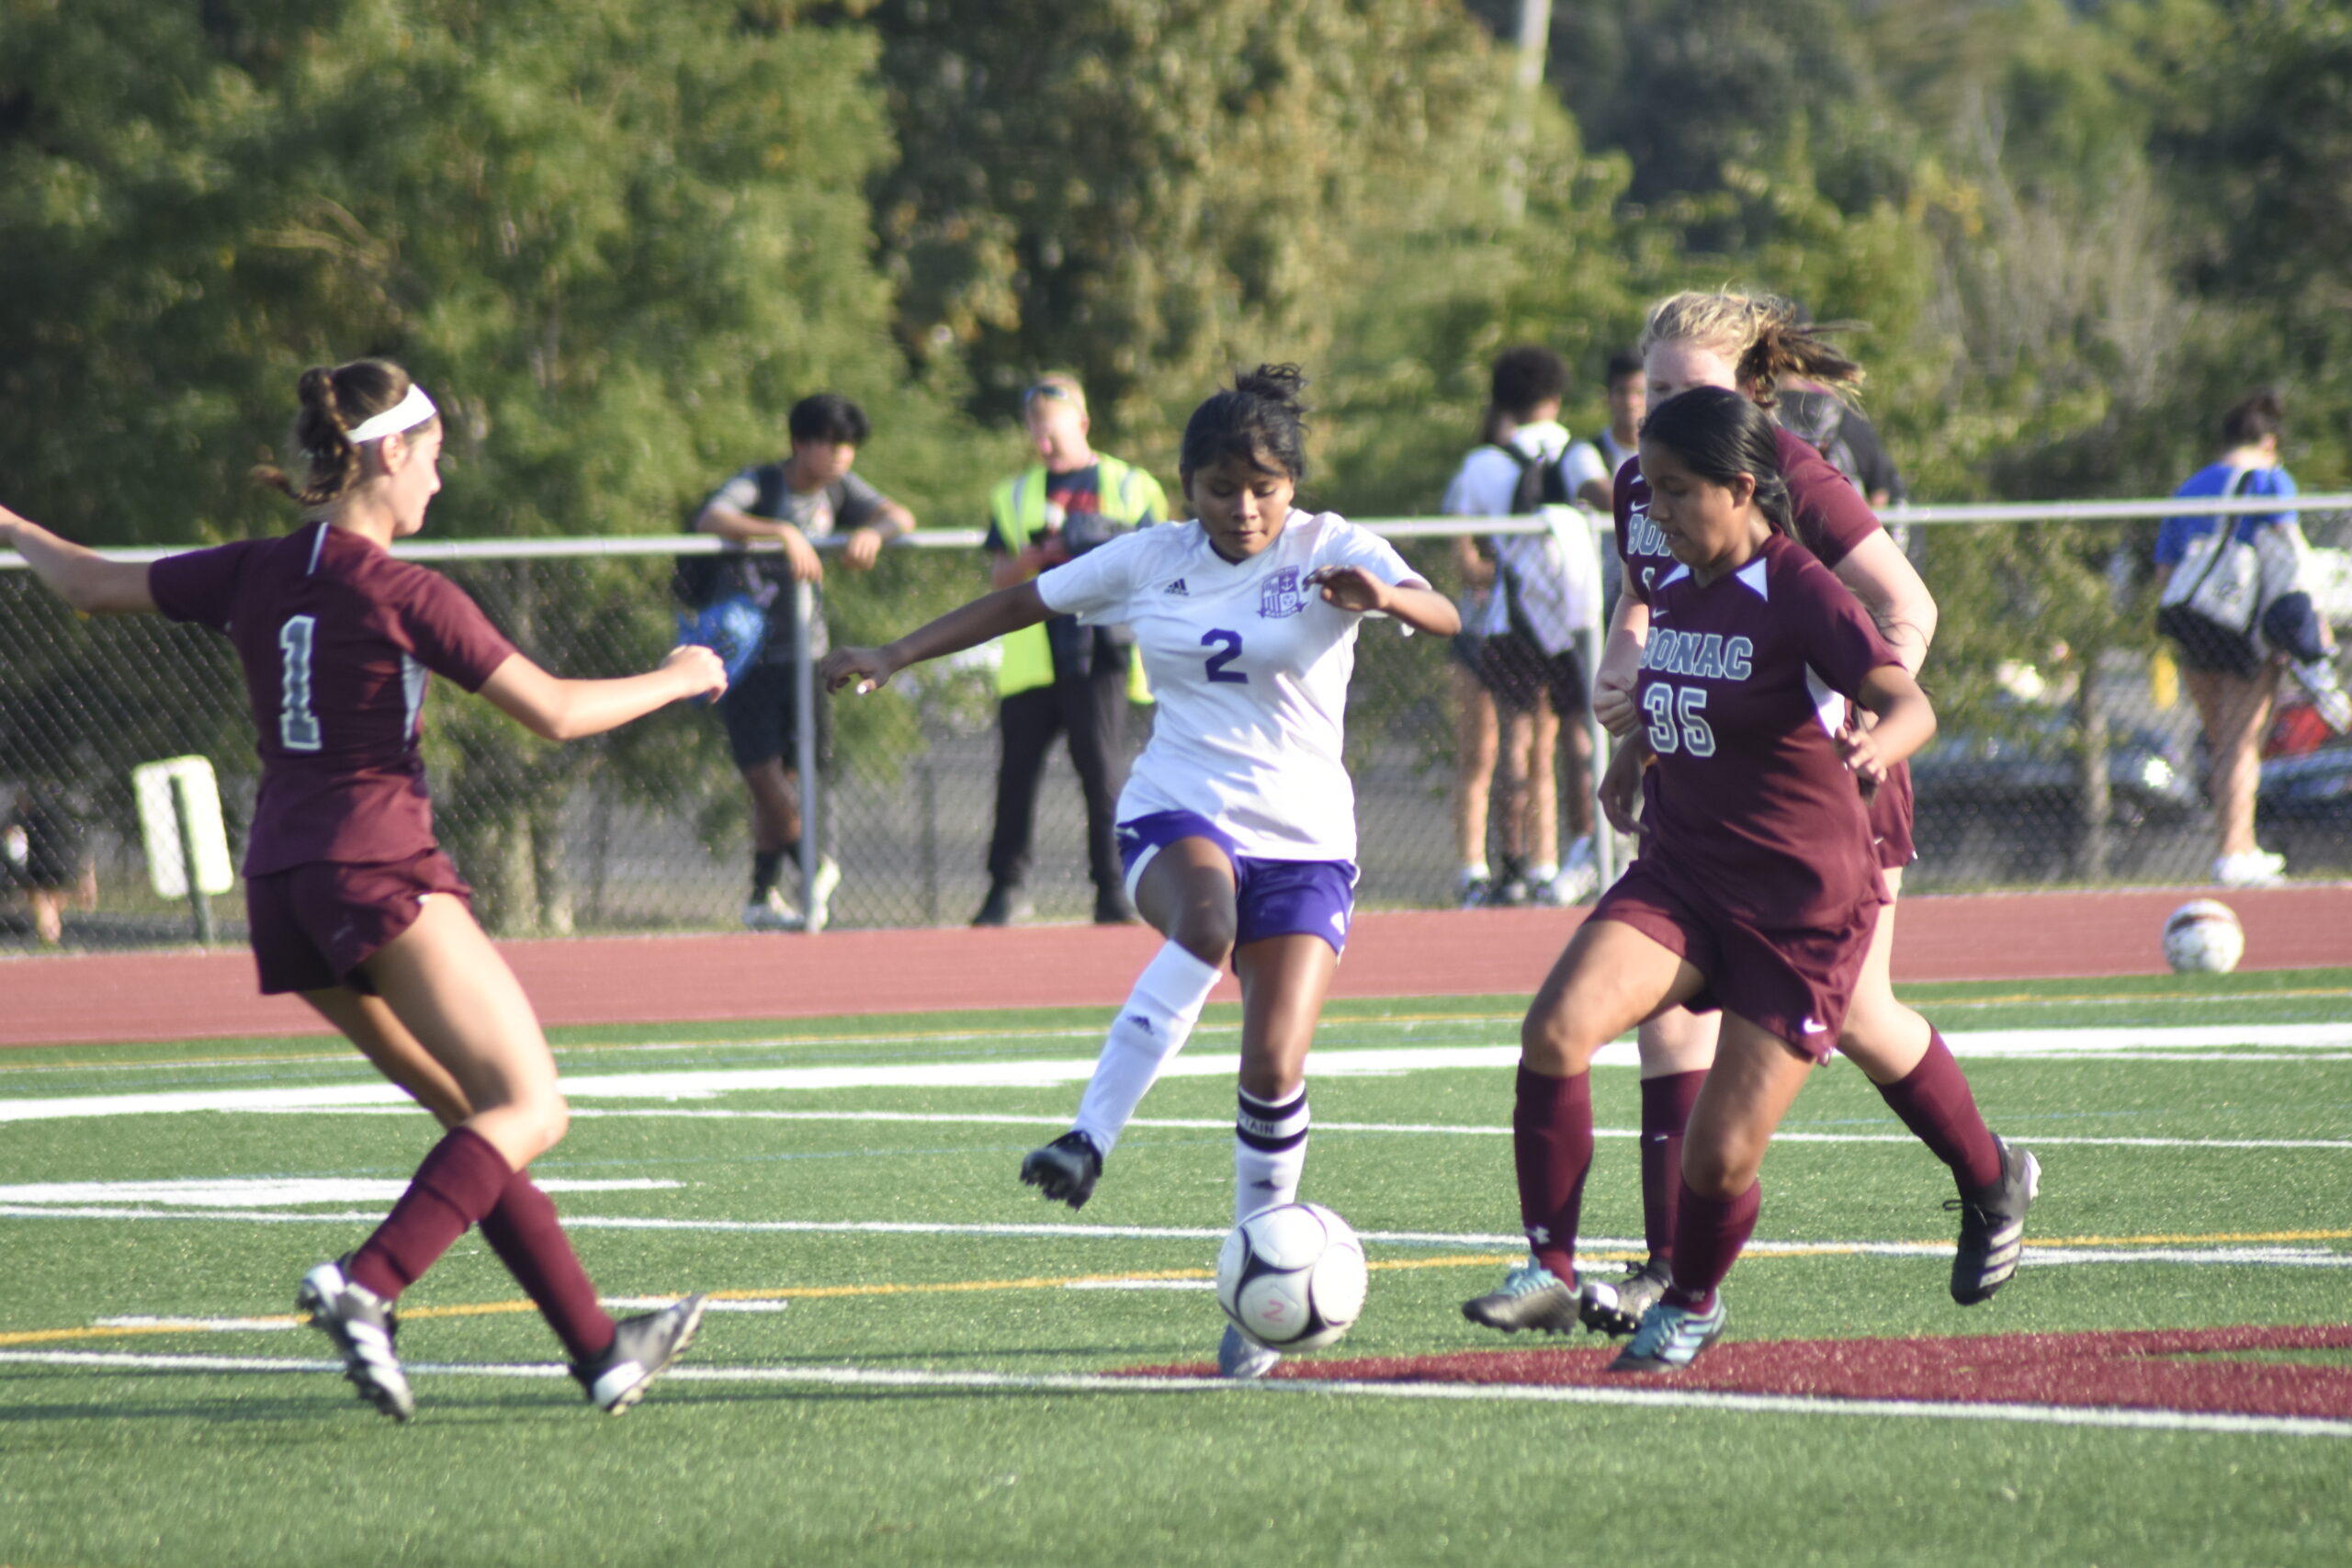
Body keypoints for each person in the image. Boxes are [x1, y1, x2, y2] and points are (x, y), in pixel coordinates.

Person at [0, 359, 725, 1420]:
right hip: (378, 866)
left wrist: (12, 520)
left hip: (282, 884)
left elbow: (87, 582)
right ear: (388, 453)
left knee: (471, 1120)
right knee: (530, 1105)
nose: (439, 482)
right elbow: (558, 712)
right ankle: (367, 1283)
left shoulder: (255, 568)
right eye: (432, 458)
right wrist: (679, 676)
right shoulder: (403, 590)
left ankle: (599, 1349)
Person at [821, 366, 1459, 1379]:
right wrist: (896, 653)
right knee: (1203, 924)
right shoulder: (1153, 556)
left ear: (1291, 484)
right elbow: (1019, 602)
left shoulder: (1331, 545)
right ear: (1184, 487)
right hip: (1177, 807)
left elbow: (1445, 615)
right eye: (1217, 488)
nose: (1242, 508)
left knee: (1273, 1066)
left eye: (1262, 487)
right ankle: (1089, 1136)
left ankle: (1260, 1296)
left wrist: (1384, 596)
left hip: (1306, 841)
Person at [1462, 387, 2037, 1371]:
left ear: (1741, 487)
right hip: (1682, 878)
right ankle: (1548, 1268)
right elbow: (1676, 696)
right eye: (1650, 495)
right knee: (1554, 1031)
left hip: (1797, 910)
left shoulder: (1800, 587)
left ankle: (1690, 1301)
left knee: (1717, 1157)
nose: (1658, 516)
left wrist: (1874, 746)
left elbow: (1906, 700)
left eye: (1678, 494)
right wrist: (1621, 759)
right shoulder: (1680, 580)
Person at [695, 393, 916, 931]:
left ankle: (762, 892)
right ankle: (811, 862)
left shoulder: (839, 490)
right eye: (831, 444)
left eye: (850, 446)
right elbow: (712, 517)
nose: (842, 456)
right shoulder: (763, 483)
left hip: (808, 655)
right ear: (801, 443)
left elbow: (900, 516)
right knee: (760, 772)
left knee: (796, 772)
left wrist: (871, 531)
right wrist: (782, 533)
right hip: (748, 657)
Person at [974, 374, 1169, 926]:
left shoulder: (1130, 484)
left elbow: (1156, 557)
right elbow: (1000, 573)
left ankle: (1112, 888)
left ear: (1081, 422)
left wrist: (1098, 544)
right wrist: (1049, 550)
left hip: (1101, 649)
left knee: (1101, 771)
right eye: (1034, 427)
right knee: (1016, 775)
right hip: (1035, 654)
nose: (1042, 438)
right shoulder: (1013, 493)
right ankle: (1005, 889)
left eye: (1051, 426)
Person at [2155, 389, 2347, 887]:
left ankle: (2236, 845)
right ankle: (2234, 852)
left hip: (2195, 623)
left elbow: (2165, 568)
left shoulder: (2190, 487)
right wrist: (2311, 623)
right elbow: (2289, 558)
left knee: (2223, 741)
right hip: (2245, 629)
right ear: (2269, 442)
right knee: (2242, 742)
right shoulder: (2270, 479)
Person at [1441, 347, 1600, 907]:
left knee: (1516, 741)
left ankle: (1509, 863)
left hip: (1512, 624)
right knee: (1579, 737)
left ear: (1502, 400)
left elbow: (1463, 550)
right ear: (1555, 396)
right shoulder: (1578, 453)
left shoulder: (1481, 465)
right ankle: (1578, 855)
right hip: (1576, 621)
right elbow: (1603, 495)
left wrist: (1496, 568)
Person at [1561, 350, 1645, 626]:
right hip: (1599, 592)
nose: (1631, 402)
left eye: (1640, 392)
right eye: (1622, 392)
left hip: (1651, 580)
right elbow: (1608, 498)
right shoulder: (1584, 451)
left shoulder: (1669, 453)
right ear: (1608, 396)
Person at [3, 786, 89, 945]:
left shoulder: (29, 814)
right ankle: (51, 934)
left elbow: (11, 832)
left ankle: (49, 939)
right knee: (52, 901)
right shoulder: (67, 813)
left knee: (44, 901)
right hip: (67, 863)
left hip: (43, 864)